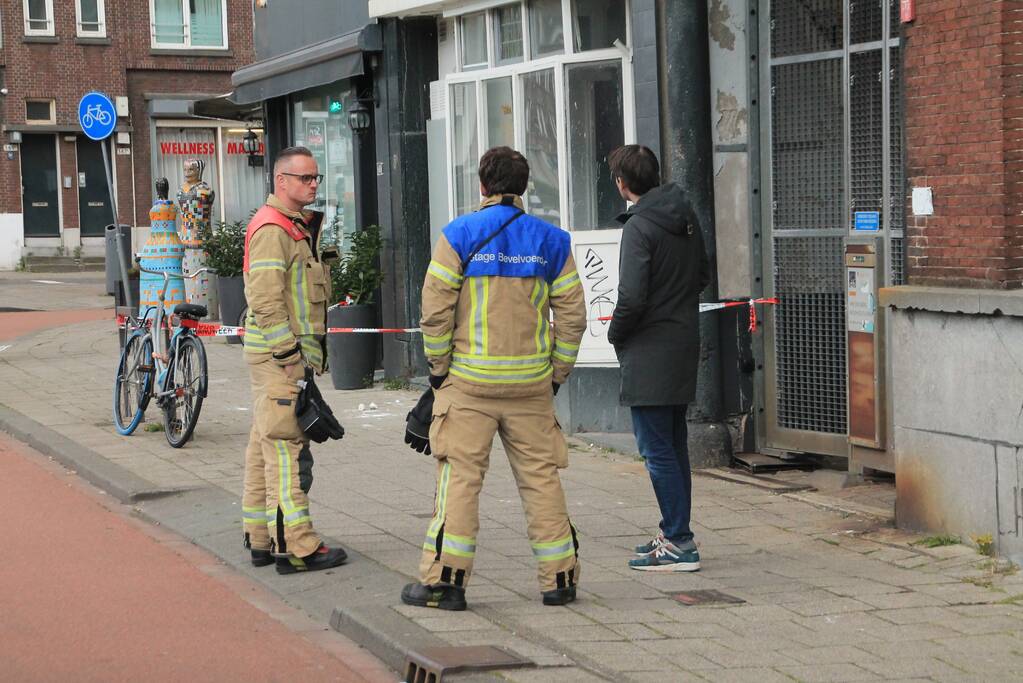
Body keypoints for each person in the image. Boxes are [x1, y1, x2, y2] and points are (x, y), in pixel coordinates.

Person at [401, 146, 587, 611]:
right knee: (541, 479)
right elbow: (572, 317)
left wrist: (438, 371)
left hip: (469, 385)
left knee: (460, 481)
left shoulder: (458, 235)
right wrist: (556, 375)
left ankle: (445, 583)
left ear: (482, 185)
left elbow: (435, 312)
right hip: (531, 386)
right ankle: (559, 580)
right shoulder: (552, 241)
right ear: (523, 187)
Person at [240, 146, 347, 575]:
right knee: (286, 448)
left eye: (316, 177)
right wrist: (288, 356)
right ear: (281, 181)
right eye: (305, 178)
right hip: (280, 357)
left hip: (278, 355)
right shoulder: (274, 229)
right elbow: (265, 301)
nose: (314, 184)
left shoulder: (294, 226)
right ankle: (297, 546)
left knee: (263, 445)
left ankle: (261, 538)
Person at [606, 145, 709, 572]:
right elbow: (703, 275)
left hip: (648, 350)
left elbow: (631, 297)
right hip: (682, 341)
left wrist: (615, 333)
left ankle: (679, 542)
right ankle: (674, 531)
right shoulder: (684, 217)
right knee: (674, 444)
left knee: (656, 449)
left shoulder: (639, 227)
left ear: (622, 183)